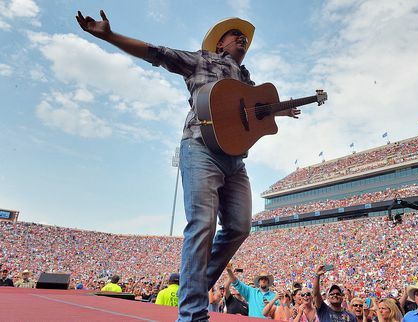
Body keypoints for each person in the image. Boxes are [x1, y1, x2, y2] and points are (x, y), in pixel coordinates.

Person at [76, 10, 300, 322]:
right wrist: (109, 36)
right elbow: (156, 53)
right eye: (234, 35)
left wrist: (279, 110)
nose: (241, 39)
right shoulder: (202, 61)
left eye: (244, 38)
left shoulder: (247, 80)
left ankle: (194, 286)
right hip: (201, 147)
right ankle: (193, 314)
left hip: (235, 158)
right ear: (220, 44)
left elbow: (252, 114)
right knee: (203, 224)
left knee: (239, 226)